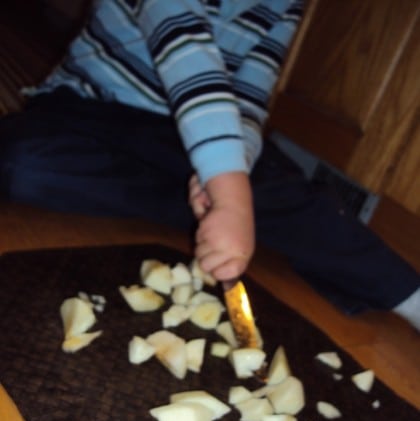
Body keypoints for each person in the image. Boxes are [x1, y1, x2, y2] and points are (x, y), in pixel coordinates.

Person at [0, 0, 419, 330]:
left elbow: (251, 103)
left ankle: (409, 296)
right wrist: (232, 198)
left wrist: (230, 169)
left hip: (191, 145)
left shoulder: (286, 4)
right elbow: (186, 55)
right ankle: (217, 214)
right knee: (25, 163)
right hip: (92, 111)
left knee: (290, 194)